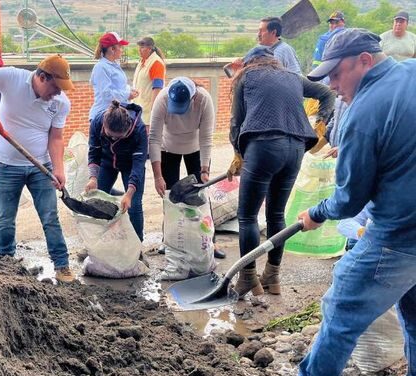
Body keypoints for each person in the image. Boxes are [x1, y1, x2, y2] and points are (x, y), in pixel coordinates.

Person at [298, 28, 416, 376]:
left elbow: (349, 199)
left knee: (340, 314)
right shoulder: (410, 72)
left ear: (365, 60)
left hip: (396, 239)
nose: (332, 84)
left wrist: (317, 213)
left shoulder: (363, 112)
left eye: (336, 73)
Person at [228, 46, 335, 297]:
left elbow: (237, 122)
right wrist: (321, 123)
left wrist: (237, 154)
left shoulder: (246, 76)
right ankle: (272, 277)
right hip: (296, 149)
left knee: (247, 217)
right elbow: (327, 94)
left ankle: (247, 278)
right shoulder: (291, 77)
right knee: (276, 214)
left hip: (264, 147)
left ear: (249, 62)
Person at [0, 54, 76, 283]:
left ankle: (62, 265)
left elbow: (56, 138)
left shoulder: (61, 102)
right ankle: (5, 263)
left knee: (50, 217)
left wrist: (58, 169)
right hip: (7, 165)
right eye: (55, 86)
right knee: (5, 218)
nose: (58, 92)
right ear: (42, 77)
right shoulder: (13, 77)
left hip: (40, 167)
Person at [149, 76, 226, 259]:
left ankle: (209, 241)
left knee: (200, 195)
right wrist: (158, 176)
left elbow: (207, 138)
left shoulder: (204, 99)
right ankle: (169, 240)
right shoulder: (162, 99)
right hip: (168, 148)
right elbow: (154, 138)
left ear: (192, 97)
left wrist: (205, 169)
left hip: (196, 149)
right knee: (171, 196)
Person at [86, 100, 147, 241]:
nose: (113, 139)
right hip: (107, 162)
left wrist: (129, 193)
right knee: (98, 200)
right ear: (104, 125)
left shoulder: (139, 130)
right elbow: (94, 152)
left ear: (128, 129)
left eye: (118, 137)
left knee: (134, 205)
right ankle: (98, 242)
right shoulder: (97, 122)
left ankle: (137, 246)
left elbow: (138, 165)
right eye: (110, 135)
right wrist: (93, 178)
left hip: (130, 164)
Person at [89, 32, 138, 122]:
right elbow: (106, 94)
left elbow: (118, 87)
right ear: (112, 49)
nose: (122, 50)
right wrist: (127, 94)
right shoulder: (101, 67)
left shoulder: (113, 65)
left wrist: (129, 90)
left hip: (113, 116)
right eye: (120, 47)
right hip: (103, 117)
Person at [132, 37, 166, 126]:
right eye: (139, 47)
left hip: (148, 113)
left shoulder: (156, 63)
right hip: (138, 109)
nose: (139, 50)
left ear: (150, 49)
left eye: (142, 47)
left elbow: (157, 88)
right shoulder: (142, 61)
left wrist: (154, 109)